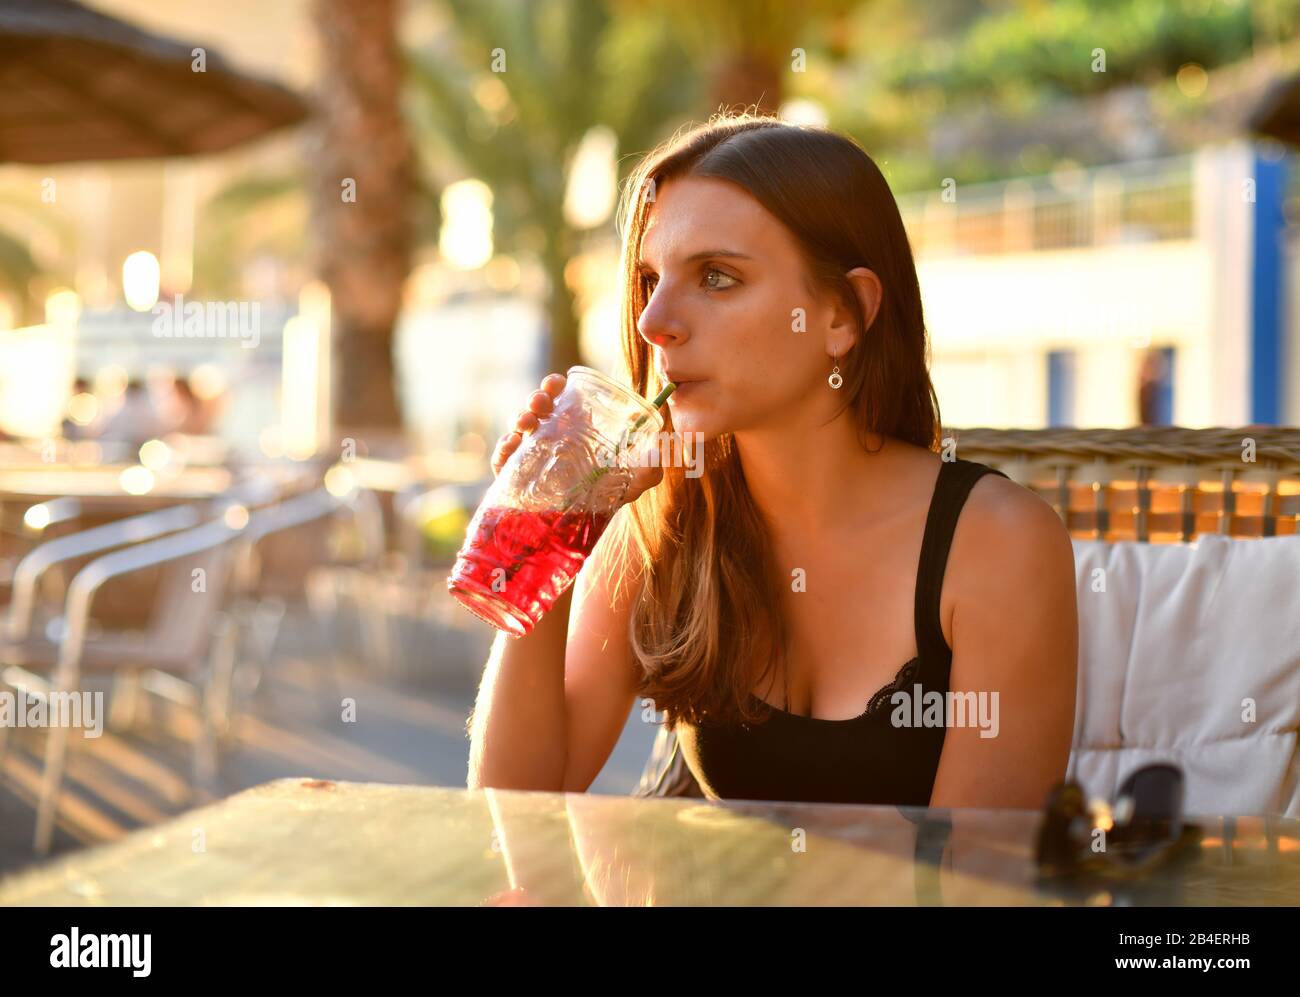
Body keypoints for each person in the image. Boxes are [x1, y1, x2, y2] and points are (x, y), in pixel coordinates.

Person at [467, 113, 1079, 810]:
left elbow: (981, 875)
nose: (652, 320)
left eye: (717, 277)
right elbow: (514, 805)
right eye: (648, 280)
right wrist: (551, 535)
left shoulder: (997, 544)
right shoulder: (655, 518)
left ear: (842, 315)